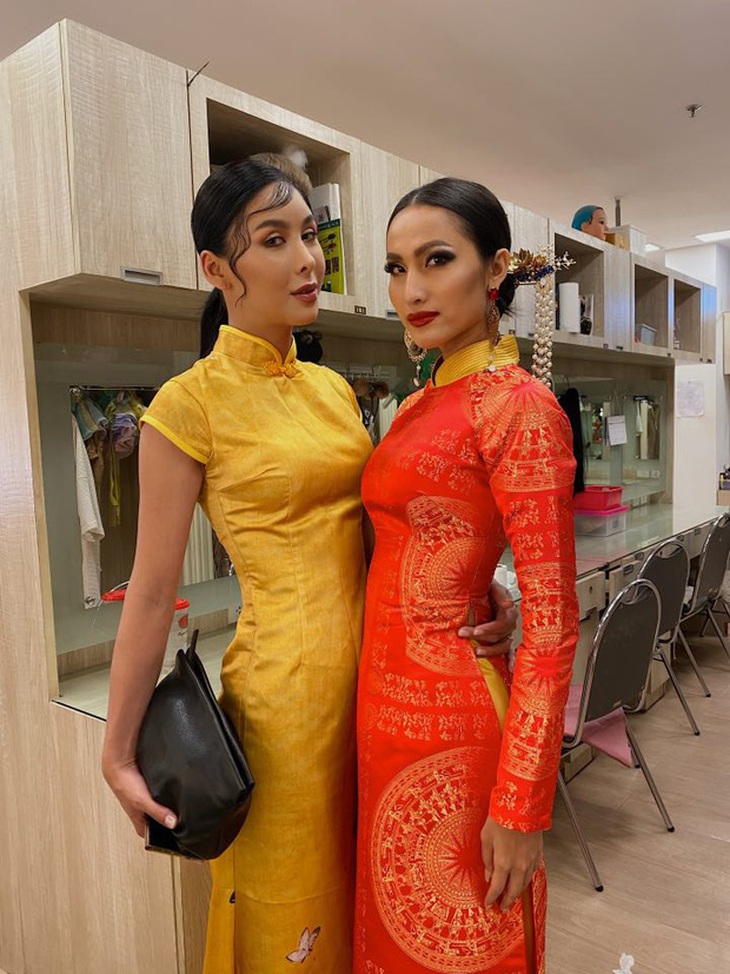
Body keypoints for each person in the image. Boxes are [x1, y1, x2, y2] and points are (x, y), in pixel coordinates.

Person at [101, 159, 517, 973]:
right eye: (274, 240)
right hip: (285, 709)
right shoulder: (187, 404)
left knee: (377, 911)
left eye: (309, 237)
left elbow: (378, 538)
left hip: (383, 690)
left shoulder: (332, 392)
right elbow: (150, 594)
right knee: (295, 922)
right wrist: (117, 753)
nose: (306, 260)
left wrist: (479, 589)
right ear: (216, 269)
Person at [355, 178, 580, 973]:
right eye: (396, 267)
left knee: (462, 944)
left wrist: (522, 803)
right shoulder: (423, 400)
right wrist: (489, 589)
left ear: (496, 270)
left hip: (457, 726)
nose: (410, 290)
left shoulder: (519, 407)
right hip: (384, 716)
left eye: (436, 260)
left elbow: (555, 623)